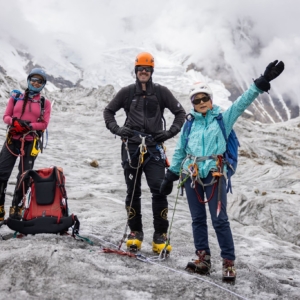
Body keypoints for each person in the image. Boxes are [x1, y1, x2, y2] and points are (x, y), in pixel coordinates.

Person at [160, 60, 284, 280]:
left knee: (219, 220)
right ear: (192, 103)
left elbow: (240, 104)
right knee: (197, 219)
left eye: (204, 98)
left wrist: (260, 83)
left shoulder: (222, 120)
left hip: (215, 175)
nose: (201, 102)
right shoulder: (189, 124)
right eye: (196, 100)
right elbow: (180, 150)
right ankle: (203, 259)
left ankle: (228, 262)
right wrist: (171, 174)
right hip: (192, 176)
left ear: (211, 99)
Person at [103, 52, 186, 253]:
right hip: (131, 147)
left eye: (147, 69)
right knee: (133, 192)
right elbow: (108, 112)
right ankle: (135, 233)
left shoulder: (161, 92)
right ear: (136, 71)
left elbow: (180, 113)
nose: (143, 72)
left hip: (154, 148)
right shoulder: (127, 92)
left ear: (152, 71)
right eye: (140, 68)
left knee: (159, 190)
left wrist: (168, 133)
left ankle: (160, 236)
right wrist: (117, 129)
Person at [0, 68, 51, 221]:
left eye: (39, 81)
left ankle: (16, 208)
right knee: (1, 173)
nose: (35, 83)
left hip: (30, 142)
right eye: (33, 79)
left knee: (24, 176)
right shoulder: (15, 98)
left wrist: (29, 126)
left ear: (43, 84)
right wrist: (15, 122)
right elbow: (6, 117)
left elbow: (44, 124)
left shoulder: (44, 103)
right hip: (12, 140)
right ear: (28, 80)